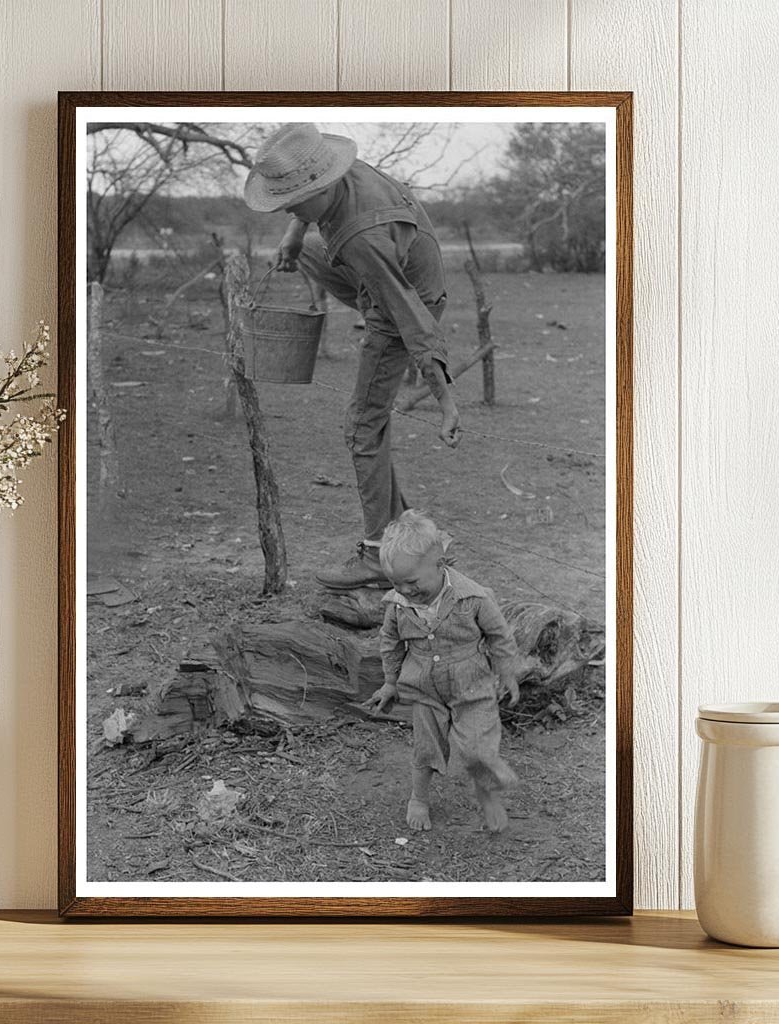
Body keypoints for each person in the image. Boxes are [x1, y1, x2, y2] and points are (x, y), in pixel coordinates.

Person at [243, 123, 461, 590]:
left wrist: (444, 399)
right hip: (385, 280)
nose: (292, 210)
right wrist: (294, 236)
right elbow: (310, 211)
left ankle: (379, 556)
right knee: (302, 253)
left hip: (406, 304)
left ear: (322, 185)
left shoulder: (362, 236)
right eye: (286, 202)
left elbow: (411, 316)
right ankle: (411, 544)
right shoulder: (341, 176)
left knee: (362, 425)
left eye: (297, 202)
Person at [361, 510, 521, 833]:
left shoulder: (473, 597)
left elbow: (500, 635)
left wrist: (507, 672)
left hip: (471, 685)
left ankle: (487, 792)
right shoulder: (397, 605)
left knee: (477, 746)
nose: (404, 590)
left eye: (411, 582)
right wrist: (391, 682)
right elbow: (390, 642)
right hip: (424, 688)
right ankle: (418, 797)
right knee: (425, 747)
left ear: (440, 564)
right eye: (395, 583)